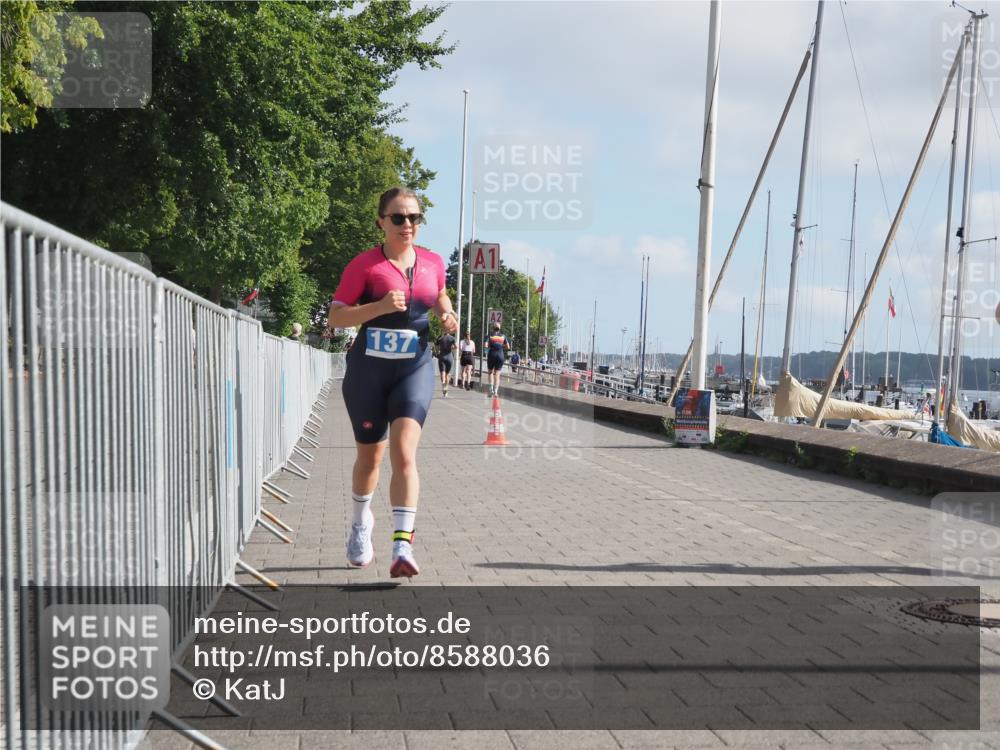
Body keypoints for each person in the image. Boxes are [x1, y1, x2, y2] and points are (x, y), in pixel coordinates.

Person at [325, 187, 458, 578]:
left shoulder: (433, 262)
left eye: (414, 218)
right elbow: (336, 318)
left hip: (414, 368)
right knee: (371, 457)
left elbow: (440, 294)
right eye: (398, 218)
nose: (407, 225)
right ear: (381, 221)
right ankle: (360, 523)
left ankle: (402, 546)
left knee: (404, 453)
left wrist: (447, 313)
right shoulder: (364, 266)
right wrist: (379, 308)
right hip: (369, 370)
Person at [484, 322, 510, 397]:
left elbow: (486, 345)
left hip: (492, 354)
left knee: (490, 372)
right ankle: (495, 392)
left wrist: (490, 346)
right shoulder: (503, 336)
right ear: (500, 328)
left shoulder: (489, 335)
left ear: (493, 328)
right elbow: (508, 347)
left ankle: (490, 389)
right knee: (497, 374)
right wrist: (501, 347)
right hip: (500, 355)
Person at [435, 331, 456, 397]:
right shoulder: (452, 338)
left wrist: (437, 351)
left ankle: (443, 383)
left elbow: (436, 346)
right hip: (449, 357)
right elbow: (456, 347)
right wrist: (452, 347)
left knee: (442, 373)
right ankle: (446, 389)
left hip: (442, 356)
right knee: (447, 374)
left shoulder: (440, 338)